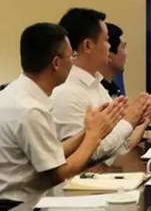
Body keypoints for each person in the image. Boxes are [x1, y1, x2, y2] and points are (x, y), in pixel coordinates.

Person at [0, 23, 121, 205]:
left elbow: (51, 153)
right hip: (20, 206)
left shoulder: (16, 93)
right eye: (72, 56)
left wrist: (87, 131)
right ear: (56, 63)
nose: (73, 62)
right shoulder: (30, 110)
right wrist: (94, 137)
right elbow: (59, 174)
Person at [51, 9, 151, 164]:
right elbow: (90, 155)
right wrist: (129, 120)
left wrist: (140, 117)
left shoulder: (96, 85)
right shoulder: (66, 93)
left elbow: (120, 146)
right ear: (88, 45)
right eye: (106, 40)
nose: (109, 47)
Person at [100, 23, 151, 118]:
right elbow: (116, 127)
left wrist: (145, 114)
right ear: (109, 53)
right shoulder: (95, 93)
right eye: (123, 48)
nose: (126, 54)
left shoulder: (113, 87)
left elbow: (121, 123)